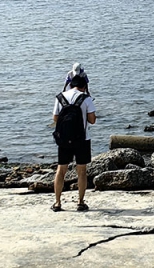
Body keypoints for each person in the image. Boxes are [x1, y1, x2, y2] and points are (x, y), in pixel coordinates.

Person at [52, 75, 96, 212]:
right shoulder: (86, 98)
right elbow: (92, 120)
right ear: (84, 86)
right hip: (82, 139)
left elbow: (55, 118)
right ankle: (80, 202)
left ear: (71, 85)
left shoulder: (60, 97)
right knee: (81, 171)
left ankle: (58, 203)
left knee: (61, 170)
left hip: (64, 139)